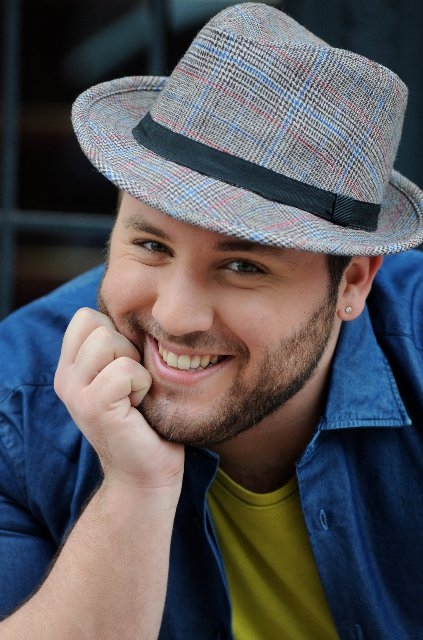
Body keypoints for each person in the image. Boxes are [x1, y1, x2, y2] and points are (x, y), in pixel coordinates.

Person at [1, 2, 423, 638]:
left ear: (354, 282)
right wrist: (135, 487)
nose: (173, 316)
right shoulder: (19, 399)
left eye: (243, 266)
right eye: (151, 246)